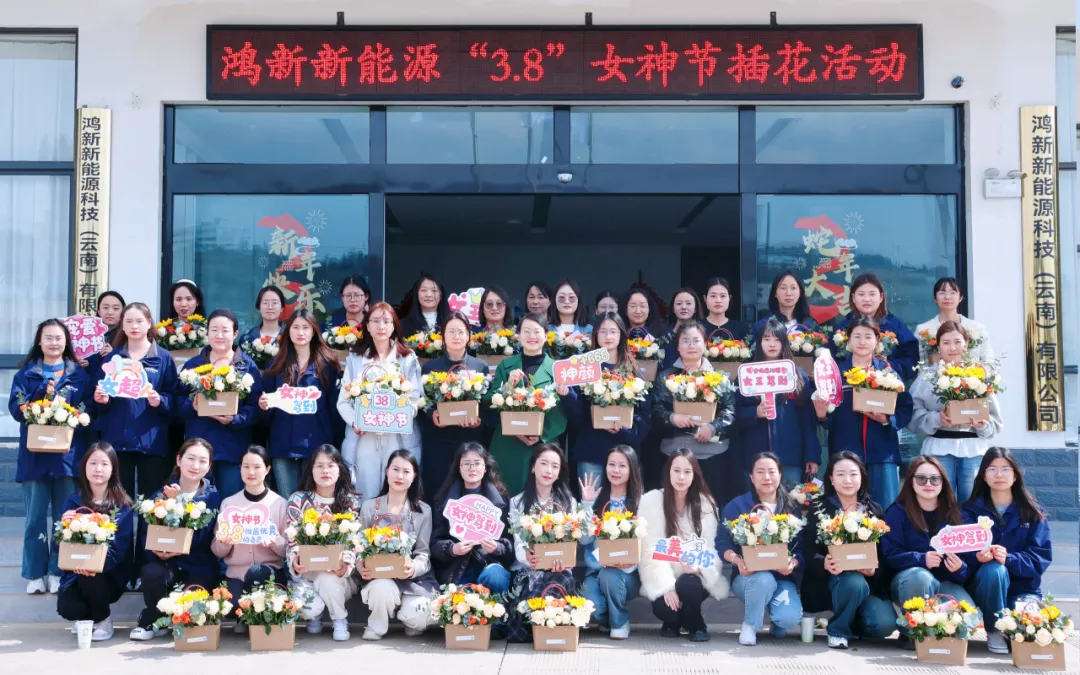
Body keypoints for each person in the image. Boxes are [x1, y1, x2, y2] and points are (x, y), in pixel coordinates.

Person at [10, 319, 92, 595]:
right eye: (49, 338)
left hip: (67, 458)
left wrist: (73, 414)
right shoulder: (26, 374)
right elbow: (16, 409)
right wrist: (38, 395)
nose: (54, 343)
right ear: (39, 341)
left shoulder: (79, 375)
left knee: (64, 518)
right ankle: (35, 574)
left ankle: (58, 571)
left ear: (66, 341)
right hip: (34, 457)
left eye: (59, 338)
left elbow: (88, 411)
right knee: (34, 519)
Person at [813, 317, 913, 509]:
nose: (862, 341)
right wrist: (821, 415)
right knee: (845, 514)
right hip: (845, 455)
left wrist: (887, 420)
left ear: (877, 341)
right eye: (856, 336)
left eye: (868, 336)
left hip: (882, 454)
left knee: (885, 511)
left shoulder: (888, 374)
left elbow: (905, 408)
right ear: (848, 341)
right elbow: (829, 419)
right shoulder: (836, 374)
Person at [801, 451, 896, 650]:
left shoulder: (873, 510)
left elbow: (885, 554)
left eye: (853, 474)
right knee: (853, 581)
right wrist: (823, 562)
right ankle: (838, 631)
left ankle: (850, 621)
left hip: (867, 583)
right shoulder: (819, 508)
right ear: (831, 479)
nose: (847, 480)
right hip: (833, 580)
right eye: (841, 474)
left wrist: (874, 570)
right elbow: (807, 548)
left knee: (884, 625)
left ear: (862, 477)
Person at [882, 456, 978, 649]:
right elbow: (889, 554)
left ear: (943, 482)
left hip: (945, 582)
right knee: (921, 577)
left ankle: (936, 635)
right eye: (921, 478)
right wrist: (921, 559)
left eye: (935, 479)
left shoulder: (958, 515)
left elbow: (970, 563)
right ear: (911, 481)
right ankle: (912, 632)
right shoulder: (897, 512)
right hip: (909, 581)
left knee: (971, 619)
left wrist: (960, 568)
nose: (928, 484)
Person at [92, 302, 179, 517]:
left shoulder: (163, 358)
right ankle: (120, 541)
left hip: (151, 441)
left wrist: (160, 401)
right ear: (122, 325)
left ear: (149, 323)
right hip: (118, 441)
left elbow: (174, 397)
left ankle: (146, 542)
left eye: (139, 321)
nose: (134, 326)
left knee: (151, 506)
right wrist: (101, 400)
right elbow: (100, 399)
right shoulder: (113, 359)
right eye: (129, 321)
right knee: (119, 506)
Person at [130, 438, 221, 640]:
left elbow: (204, 536)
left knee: (193, 605)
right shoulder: (160, 496)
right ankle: (154, 619)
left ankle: (175, 619)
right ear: (179, 460)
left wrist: (179, 547)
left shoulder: (212, 497)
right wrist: (158, 551)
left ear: (209, 466)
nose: (195, 465)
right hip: (166, 564)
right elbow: (147, 534)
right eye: (191, 458)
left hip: (198, 567)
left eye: (202, 461)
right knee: (151, 572)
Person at [964, 447, 1052, 655]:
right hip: (983, 589)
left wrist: (1009, 558)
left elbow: (1040, 558)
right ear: (983, 475)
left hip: (1022, 590)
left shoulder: (1033, 513)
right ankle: (994, 630)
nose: (999, 474)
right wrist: (977, 559)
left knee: (1031, 635)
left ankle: (1013, 624)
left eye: (1005, 469)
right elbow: (959, 557)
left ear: (1015, 475)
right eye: (992, 469)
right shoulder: (968, 512)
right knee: (994, 570)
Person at [337, 301, 423, 501]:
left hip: (397, 436)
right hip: (364, 436)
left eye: (386, 321)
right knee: (364, 487)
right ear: (367, 326)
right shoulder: (355, 358)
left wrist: (399, 417)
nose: (381, 326)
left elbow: (415, 397)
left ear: (394, 326)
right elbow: (343, 401)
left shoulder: (407, 358)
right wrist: (355, 421)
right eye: (375, 321)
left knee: (397, 487)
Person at [909, 321, 1003, 503]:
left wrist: (982, 425)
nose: (952, 348)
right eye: (946, 343)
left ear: (966, 344)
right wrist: (936, 419)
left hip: (974, 451)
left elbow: (996, 422)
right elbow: (911, 416)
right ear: (938, 346)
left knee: (974, 505)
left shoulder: (979, 376)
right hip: (938, 449)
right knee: (941, 505)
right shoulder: (927, 378)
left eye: (957, 342)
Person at [639, 449, 727, 642]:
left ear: (695, 475)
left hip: (693, 576)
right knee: (665, 608)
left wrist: (698, 568)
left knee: (689, 584)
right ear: (668, 472)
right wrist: (667, 587)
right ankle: (675, 621)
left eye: (687, 472)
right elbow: (649, 548)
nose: (681, 477)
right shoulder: (651, 501)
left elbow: (709, 546)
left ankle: (696, 624)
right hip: (663, 572)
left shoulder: (705, 505)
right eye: (676, 470)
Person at [718, 452, 804, 646]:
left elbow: (801, 548)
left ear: (780, 475)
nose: (767, 477)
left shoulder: (791, 508)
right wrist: (737, 560)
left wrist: (793, 563)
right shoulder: (737, 506)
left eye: (772, 472)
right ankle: (750, 624)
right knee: (763, 579)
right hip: (748, 578)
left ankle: (777, 620)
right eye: (760, 472)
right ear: (751, 476)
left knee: (788, 619)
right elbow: (722, 543)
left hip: (782, 578)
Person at [176, 309, 264, 498]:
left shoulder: (247, 366)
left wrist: (235, 419)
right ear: (207, 333)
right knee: (197, 506)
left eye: (225, 330)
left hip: (232, 449)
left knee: (230, 503)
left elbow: (256, 406)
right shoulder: (193, 365)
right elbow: (177, 402)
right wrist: (192, 406)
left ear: (235, 333)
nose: (219, 335)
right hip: (198, 450)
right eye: (214, 330)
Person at [484, 313, 574, 495]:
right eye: (526, 331)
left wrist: (540, 434)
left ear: (546, 336)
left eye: (536, 331)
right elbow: (488, 402)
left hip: (542, 445)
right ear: (518, 336)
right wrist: (507, 386)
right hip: (508, 443)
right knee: (504, 494)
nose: (531, 336)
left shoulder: (557, 369)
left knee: (539, 497)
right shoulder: (506, 366)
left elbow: (562, 412)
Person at [55, 442, 135, 641]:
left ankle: (103, 619)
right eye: (93, 463)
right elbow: (58, 545)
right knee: (68, 607)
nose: (98, 469)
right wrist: (63, 527)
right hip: (76, 572)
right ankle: (87, 619)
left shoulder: (122, 505)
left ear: (113, 469)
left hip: (109, 574)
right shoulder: (73, 501)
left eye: (104, 464)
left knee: (91, 575)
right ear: (84, 467)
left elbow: (120, 549)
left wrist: (93, 564)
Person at [261, 309, 343, 498]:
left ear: (314, 331)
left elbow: (335, 410)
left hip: (317, 447)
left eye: (305, 327)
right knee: (287, 501)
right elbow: (267, 409)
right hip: (283, 446)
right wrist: (264, 407)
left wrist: (334, 446)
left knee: (316, 502)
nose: (300, 332)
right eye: (295, 327)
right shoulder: (277, 364)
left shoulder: (327, 364)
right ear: (288, 331)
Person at [652, 321, 736, 504]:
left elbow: (729, 410)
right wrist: (672, 418)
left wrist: (713, 428)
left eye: (696, 340)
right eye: (685, 341)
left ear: (705, 344)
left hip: (713, 454)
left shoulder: (720, 376)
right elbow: (656, 409)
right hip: (674, 452)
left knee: (711, 506)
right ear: (677, 346)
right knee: (675, 506)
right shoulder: (665, 376)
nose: (691, 345)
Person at [505, 443, 582, 643]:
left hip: (559, 568)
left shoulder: (569, 502)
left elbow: (571, 542)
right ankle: (537, 629)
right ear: (533, 467)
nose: (549, 470)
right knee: (532, 584)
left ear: (560, 472)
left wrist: (564, 561)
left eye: (555, 466)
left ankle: (553, 629)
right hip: (528, 568)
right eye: (544, 464)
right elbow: (518, 541)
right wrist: (527, 556)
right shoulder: (517, 502)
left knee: (559, 581)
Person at [286, 444, 362, 642]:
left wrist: (345, 566)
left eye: (331, 465)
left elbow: (354, 541)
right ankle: (315, 614)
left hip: (339, 576)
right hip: (307, 574)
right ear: (311, 470)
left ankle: (339, 619)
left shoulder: (351, 502)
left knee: (326, 578)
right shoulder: (298, 500)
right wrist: (295, 560)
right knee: (310, 605)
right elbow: (291, 538)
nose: (325, 471)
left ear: (340, 470)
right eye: (319, 466)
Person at [358, 450, 437, 640]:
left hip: (413, 580)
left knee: (420, 615)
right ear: (387, 471)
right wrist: (360, 565)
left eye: (406, 471)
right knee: (381, 588)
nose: (399, 476)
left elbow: (423, 552)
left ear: (414, 476)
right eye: (395, 469)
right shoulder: (370, 507)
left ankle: (409, 618)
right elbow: (358, 546)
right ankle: (376, 626)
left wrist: (413, 568)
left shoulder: (423, 511)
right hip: (380, 576)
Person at [564, 313, 651, 482]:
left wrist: (625, 430)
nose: (608, 336)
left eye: (613, 331)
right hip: (592, 450)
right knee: (590, 499)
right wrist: (566, 394)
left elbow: (645, 414)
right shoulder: (584, 368)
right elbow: (577, 416)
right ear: (596, 335)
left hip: (625, 452)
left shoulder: (633, 369)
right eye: (603, 331)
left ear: (621, 335)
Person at [736, 318, 821, 486]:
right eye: (766, 339)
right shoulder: (746, 374)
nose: (772, 344)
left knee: (791, 499)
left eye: (777, 339)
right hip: (756, 456)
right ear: (759, 342)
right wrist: (755, 413)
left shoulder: (797, 375)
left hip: (790, 456)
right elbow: (735, 413)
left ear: (784, 343)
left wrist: (812, 456)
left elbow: (808, 420)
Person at [210, 445, 286, 627]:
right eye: (246, 466)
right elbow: (216, 550)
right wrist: (224, 543)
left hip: (269, 575)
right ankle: (248, 617)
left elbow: (288, 550)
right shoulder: (229, 504)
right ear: (240, 469)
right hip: (236, 575)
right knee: (230, 604)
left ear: (268, 469)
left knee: (258, 575)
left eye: (257, 467)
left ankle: (254, 619)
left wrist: (275, 541)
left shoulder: (279, 504)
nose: (251, 472)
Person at [419, 312, 490, 496]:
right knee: (437, 492)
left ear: (468, 335)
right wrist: (432, 415)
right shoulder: (430, 368)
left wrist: (479, 420)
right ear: (443, 335)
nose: (456, 336)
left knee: (468, 493)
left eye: (461, 331)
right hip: (439, 442)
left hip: (469, 442)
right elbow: (423, 403)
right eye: (451, 331)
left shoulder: (480, 367)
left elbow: (486, 406)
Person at [429, 442, 514, 595]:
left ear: (485, 467)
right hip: (458, 569)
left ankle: (499, 610)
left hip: (489, 564)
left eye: (477, 463)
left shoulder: (500, 502)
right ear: (459, 468)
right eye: (466, 463)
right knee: (461, 600)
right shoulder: (444, 501)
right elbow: (434, 542)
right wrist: (452, 549)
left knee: (495, 576)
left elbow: (511, 543)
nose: (472, 468)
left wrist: (497, 547)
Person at [578, 445, 644, 640]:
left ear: (632, 469)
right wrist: (587, 504)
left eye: (622, 466)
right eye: (611, 464)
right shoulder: (597, 499)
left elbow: (647, 545)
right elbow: (584, 539)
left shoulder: (640, 502)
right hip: (595, 571)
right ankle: (606, 620)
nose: (616, 470)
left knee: (610, 575)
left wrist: (627, 563)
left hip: (627, 574)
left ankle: (619, 622)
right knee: (591, 602)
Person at [830, 273, 919, 381]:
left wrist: (885, 370)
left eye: (872, 294)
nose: (866, 299)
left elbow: (911, 360)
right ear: (853, 298)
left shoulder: (895, 326)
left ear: (881, 297)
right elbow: (831, 361)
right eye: (861, 294)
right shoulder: (841, 329)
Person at [916, 277, 994, 363]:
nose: (947, 297)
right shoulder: (923, 330)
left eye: (953, 292)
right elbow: (919, 363)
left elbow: (989, 361)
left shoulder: (977, 328)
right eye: (942, 292)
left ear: (960, 298)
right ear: (935, 299)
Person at [752, 271, 820, 343]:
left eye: (793, 288)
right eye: (783, 288)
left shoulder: (811, 325)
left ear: (800, 292)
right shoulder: (762, 326)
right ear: (775, 293)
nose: (788, 293)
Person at [80, 290, 126, 371]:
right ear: (99, 311)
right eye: (105, 308)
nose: (110, 312)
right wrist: (82, 362)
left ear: (123, 311)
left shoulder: (128, 336)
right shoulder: (86, 335)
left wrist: (113, 354)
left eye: (116, 308)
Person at [659, 288, 704, 369]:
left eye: (688, 303)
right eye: (679, 303)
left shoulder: (702, 332)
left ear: (695, 308)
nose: (683, 307)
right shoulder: (662, 333)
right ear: (673, 308)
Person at [399, 274, 451, 338]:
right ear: (417, 294)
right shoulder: (403, 324)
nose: (428, 295)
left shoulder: (452, 322)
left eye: (434, 290)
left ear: (441, 295)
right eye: (423, 290)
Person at [702, 277, 751, 343]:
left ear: (729, 298)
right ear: (705, 298)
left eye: (723, 296)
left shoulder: (741, 329)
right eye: (713, 296)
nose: (718, 300)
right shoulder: (696, 328)